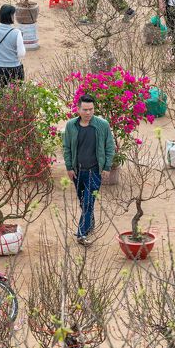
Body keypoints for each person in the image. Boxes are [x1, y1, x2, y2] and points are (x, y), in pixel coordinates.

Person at [62, 93, 115, 245]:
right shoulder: (71, 125)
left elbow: (110, 147)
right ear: (78, 109)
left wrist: (106, 167)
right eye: (85, 110)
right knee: (83, 201)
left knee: (87, 202)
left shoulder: (102, 125)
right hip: (77, 172)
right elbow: (66, 147)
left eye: (91, 109)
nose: (88, 113)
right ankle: (89, 222)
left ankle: (81, 234)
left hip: (95, 172)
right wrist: (69, 167)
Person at [0, 4, 26, 92]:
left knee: (2, 97)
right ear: (10, 16)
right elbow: (22, 54)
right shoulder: (17, 33)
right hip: (14, 68)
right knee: (15, 98)